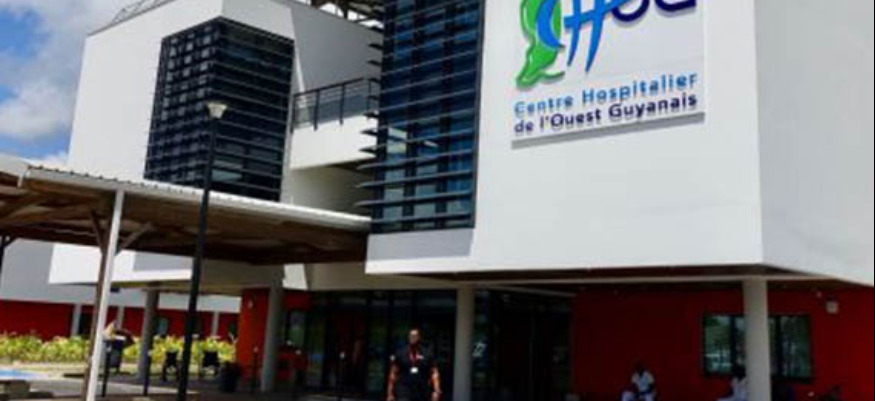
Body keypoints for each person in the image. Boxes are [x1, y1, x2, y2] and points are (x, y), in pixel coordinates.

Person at [386, 328, 442, 401]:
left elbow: (434, 372)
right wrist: (390, 393)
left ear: (419, 337)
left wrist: (436, 390)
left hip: (422, 391)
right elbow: (393, 373)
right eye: (411, 336)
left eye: (415, 336)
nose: (413, 338)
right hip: (404, 390)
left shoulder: (427, 354)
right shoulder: (400, 353)